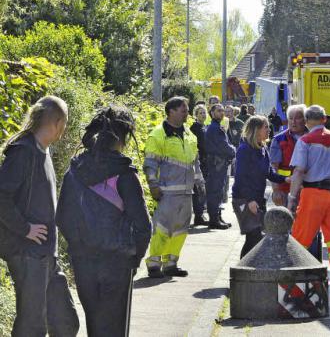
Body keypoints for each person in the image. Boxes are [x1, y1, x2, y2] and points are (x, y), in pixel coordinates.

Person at [57, 105, 152, 337]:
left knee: (95, 325)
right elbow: (142, 227)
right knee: (115, 327)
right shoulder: (125, 175)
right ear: (123, 137)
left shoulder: (74, 171)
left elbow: (63, 217)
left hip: (84, 262)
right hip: (117, 262)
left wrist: (79, 248)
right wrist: (135, 258)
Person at [0, 96, 79, 336]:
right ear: (56, 123)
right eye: (63, 126)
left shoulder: (41, 150)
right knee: (32, 327)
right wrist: (25, 229)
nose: (63, 133)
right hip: (27, 254)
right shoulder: (23, 152)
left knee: (65, 321)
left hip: (46, 255)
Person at [288, 105, 330, 306]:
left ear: (307, 122)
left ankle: (295, 291)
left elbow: (299, 172)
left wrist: (292, 198)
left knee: (299, 242)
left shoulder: (305, 141)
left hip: (312, 196)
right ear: (325, 119)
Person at [144, 96, 204, 278]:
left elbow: (195, 164)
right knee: (162, 229)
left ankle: (171, 264)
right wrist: (153, 185)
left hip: (186, 192)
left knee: (180, 231)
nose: (187, 113)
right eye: (183, 110)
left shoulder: (190, 136)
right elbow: (150, 164)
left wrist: (200, 183)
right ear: (171, 112)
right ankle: (154, 264)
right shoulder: (157, 135)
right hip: (166, 192)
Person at [232, 115, 288, 258]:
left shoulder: (263, 148)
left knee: (257, 238)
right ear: (256, 130)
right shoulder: (245, 150)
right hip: (244, 200)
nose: (269, 129)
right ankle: (242, 273)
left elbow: (269, 173)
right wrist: (250, 200)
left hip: (258, 199)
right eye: (266, 127)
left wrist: (286, 179)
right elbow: (240, 178)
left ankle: (249, 272)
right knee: (254, 237)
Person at [204, 104, 236, 230]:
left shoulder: (217, 127)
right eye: (218, 111)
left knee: (219, 191)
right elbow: (224, 146)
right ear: (212, 113)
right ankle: (214, 220)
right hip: (216, 164)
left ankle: (217, 217)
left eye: (222, 111)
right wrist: (233, 150)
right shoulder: (214, 128)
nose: (222, 113)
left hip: (219, 164)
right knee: (215, 192)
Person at [190, 104, 209, 226]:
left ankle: (200, 213)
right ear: (195, 115)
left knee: (203, 189)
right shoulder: (195, 128)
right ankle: (198, 215)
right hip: (199, 162)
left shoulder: (205, 127)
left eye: (204, 112)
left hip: (206, 162)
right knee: (198, 189)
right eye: (200, 113)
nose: (203, 114)